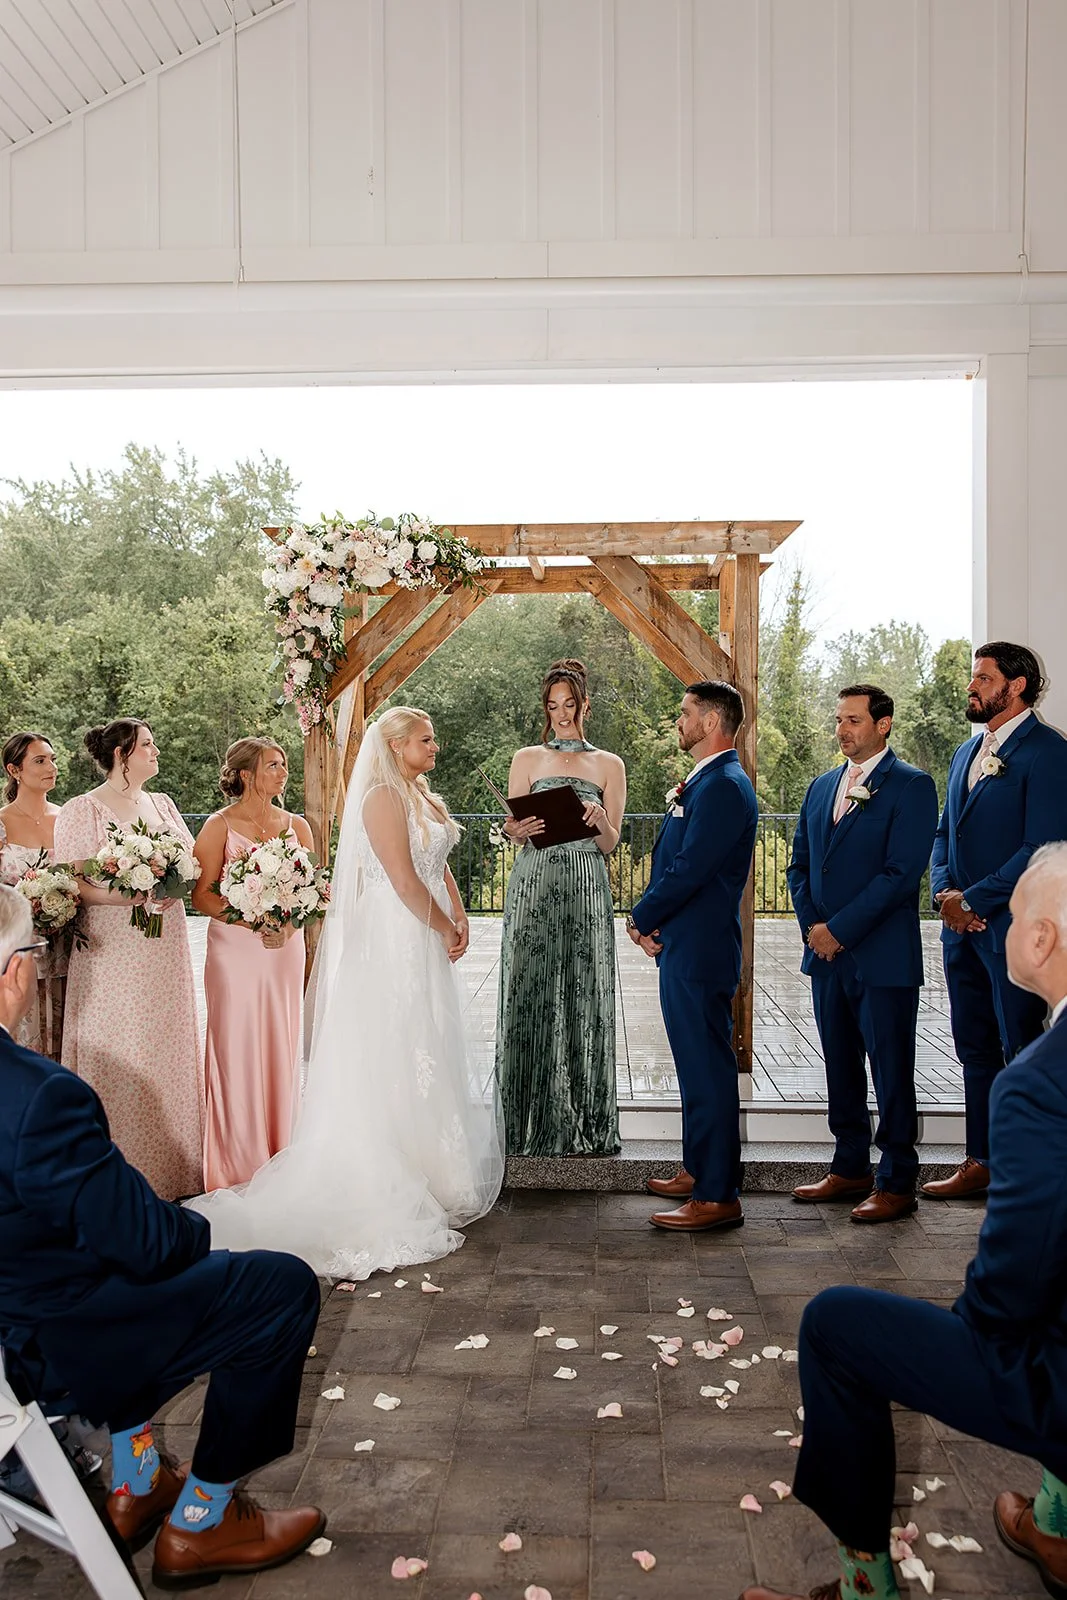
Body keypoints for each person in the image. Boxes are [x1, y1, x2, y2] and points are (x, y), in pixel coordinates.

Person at [740, 841, 1067, 1600]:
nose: (1002, 930)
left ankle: (865, 1587)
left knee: (836, 1325)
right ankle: (1056, 1525)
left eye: (1012, 917)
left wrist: (955, 1342)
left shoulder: (1039, 1085)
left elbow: (1008, 1295)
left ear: (1041, 939)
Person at [0, 883, 326, 1588]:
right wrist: (197, 1229)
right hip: (43, 1351)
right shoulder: (35, 1096)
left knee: (110, 1256)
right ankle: (204, 1521)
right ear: (15, 972)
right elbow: (150, 1243)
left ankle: (139, 1478)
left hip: (19, 1311)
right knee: (278, 1287)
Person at [188, 706, 504, 1279]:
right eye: (426, 740)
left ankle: (433, 1163)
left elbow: (436, 865)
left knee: (426, 1042)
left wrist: (458, 914)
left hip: (425, 930)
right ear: (396, 745)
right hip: (398, 932)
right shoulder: (380, 799)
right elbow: (403, 879)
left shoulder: (422, 795)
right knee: (396, 1044)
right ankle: (388, 1168)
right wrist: (442, 925)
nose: (435, 747)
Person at [787, 686, 939, 1222]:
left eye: (853, 720)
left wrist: (841, 930)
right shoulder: (821, 786)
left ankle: (897, 1181)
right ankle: (849, 1165)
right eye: (838, 720)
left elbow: (901, 875)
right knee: (840, 1064)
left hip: (882, 957)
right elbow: (800, 865)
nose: (842, 730)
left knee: (892, 1069)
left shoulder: (912, 786)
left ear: (883, 724)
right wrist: (815, 929)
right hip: (826, 957)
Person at [925, 641, 1067, 1201]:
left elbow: (1042, 847)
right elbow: (945, 832)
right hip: (960, 932)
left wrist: (975, 901)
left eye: (983, 678)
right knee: (974, 1047)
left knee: (1021, 1048)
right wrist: (945, 894)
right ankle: (980, 1161)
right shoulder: (966, 752)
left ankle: (1028, 1173)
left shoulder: (1049, 753)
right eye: (974, 677)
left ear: (1017, 686)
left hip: (1014, 932)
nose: (971, 686)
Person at [54, 719, 204, 1201]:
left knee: (163, 1042)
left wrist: (173, 885)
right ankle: (118, 1173)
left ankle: (173, 1171)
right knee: (122, 1042)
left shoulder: (164, 804)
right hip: (113, 947)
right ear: (122, 755)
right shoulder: (82, 810)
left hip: (164, 945)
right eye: (147, 745)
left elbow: (191, 864)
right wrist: (123, 897)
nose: (156, 751)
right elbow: (72, 881)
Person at [628, 680, 758, 1232]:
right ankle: (699, 1168)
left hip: (700, 948)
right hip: (687, 942)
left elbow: (691, 869)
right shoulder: (708, 781)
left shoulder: (724, 786)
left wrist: (640, 917)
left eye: (684, 712)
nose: (677, 721)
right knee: (694, 1065)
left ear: (710, 722)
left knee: (707, 1069)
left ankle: (717, 1196)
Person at [496, 658, 626, 1156]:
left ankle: (586, 1117)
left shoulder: (609, 764)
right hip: (535, 881)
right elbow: (515, 828)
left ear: (585, 705)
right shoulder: (526, 758)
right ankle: (526, 1121)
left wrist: (599, 821)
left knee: (582, 991)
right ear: (545, 709)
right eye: (553, 706)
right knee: (531, 989)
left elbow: (610, 843)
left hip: (586, 884)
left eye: (569, 704)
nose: (562, 714)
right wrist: (516, 829)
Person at [193, 738, 311, 1190]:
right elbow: (202, 895)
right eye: (273, 766)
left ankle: (283, 1153)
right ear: (246, 774)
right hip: (235, 951)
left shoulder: (297, 826)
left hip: (284, 951)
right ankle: (236, 1163)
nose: (283, 773)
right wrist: (253, 920)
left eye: (284, 765)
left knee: (281, 1043)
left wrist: (288, 926)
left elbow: (314, 891)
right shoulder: (219, 825)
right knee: (237, 1045)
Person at [0, 730, 63, 1054]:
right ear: (14, 770)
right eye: (40, 761)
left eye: (52, 759)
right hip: (17, 949)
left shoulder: (67, 819)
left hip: (67, 946)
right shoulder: (1, 822)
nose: (51, 767)